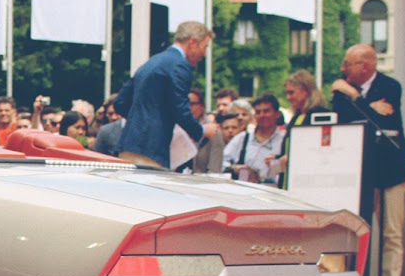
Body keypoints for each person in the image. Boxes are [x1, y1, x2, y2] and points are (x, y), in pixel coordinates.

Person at [330, 43, 405, 276]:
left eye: (348, 63)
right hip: (361, 172)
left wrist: (355, 96)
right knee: (359, 231)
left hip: (391, 170)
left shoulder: (390, 86)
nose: (343, 68)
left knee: (391, 232)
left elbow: (383, 121)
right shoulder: (340, 90)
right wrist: (365, 104)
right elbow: (345, 119)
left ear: (365, 66)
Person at [115, 21, 219, 169]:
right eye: (205, 46)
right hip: (152, 150)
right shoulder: (179, 66)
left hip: (128, 146)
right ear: (192, 42)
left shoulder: (151, 62)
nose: (204, 54)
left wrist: (142, 122)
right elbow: (181, 109)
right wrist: (202, 130)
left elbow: (120, 103)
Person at [271, 70, 328, 188]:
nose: (288, 97)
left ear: (305, 91)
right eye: (287, 93)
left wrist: (292, 158)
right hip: (289, 182)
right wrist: (276, 160)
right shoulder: (296, 117)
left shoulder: (320, 116)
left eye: (291, 93)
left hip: (308, 184)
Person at [223, 93, 286, 184]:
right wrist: (235, 169)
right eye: (258, 112)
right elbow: (223, 162)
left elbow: (289, 169)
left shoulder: (284, 141)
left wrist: (276, 164)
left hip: (273, 190)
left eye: (266, 111)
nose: (262, 115)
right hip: (245, 189)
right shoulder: (242, 139)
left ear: (277, 114)